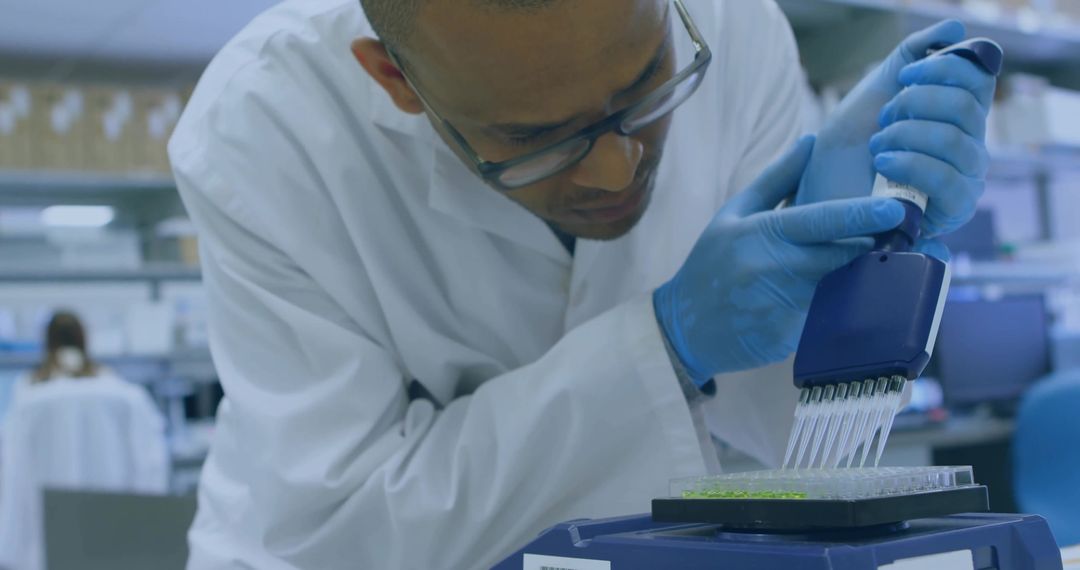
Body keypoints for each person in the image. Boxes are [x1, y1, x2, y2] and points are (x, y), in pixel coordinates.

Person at [169, 0, 997, 567]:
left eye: (644, 90)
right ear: (395, 79)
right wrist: (665, 344)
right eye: (534, 137)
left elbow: (783, 438)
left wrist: (858, 249)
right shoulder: (265, 127)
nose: (615, 167)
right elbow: (348, 528)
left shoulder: (731, 27)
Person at [0, 311, 168, 570]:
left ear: (48, 343)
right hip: (114, 537)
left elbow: (11, 476)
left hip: (47, 540)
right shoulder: (125, 396)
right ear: (85, 340)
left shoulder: (28, 400)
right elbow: (151, 466)